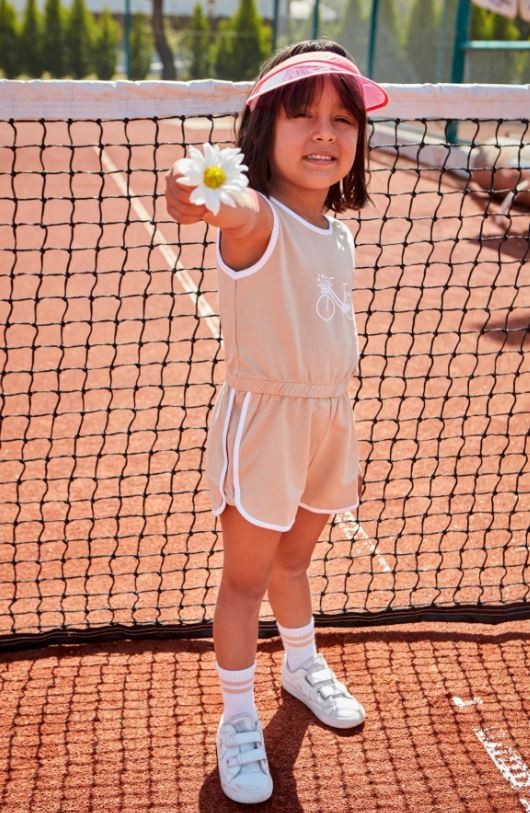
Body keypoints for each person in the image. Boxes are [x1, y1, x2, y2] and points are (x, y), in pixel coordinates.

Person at [165, 38, 389, 805]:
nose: (326, 132)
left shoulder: (339, 235)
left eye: (342, 119)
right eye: (303, 115)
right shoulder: (256, 217)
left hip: (329, 418)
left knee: (295, 563)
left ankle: (300, 662)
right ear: (264, 129)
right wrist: (202, 188)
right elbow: (201, 199)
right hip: (265, 420)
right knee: (247, 576)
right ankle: (236, 716)